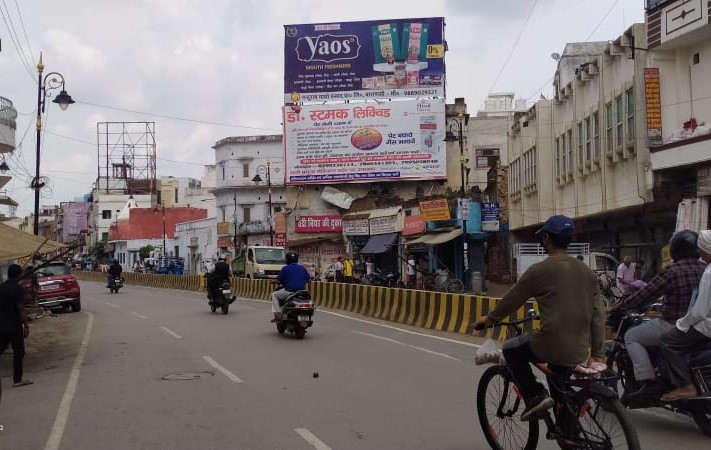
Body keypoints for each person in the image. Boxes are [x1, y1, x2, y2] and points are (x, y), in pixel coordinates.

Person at [474, 215, 605, 421]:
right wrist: (597, 353)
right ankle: (569, 432)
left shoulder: (539, 271)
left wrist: (489, 319)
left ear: (546, 238)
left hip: (550, 344)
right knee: (557, 373)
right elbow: (598, 315)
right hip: (580, 348)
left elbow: (512, 300)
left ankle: (536, 395)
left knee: (510, 349)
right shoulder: (588, 272)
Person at [607, 230, 706, 401]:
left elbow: (645, 294)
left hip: (674, 324)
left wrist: (618, 307)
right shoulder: (706, 269)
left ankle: (648, 379)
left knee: (632, 336)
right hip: (701, 325)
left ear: (675, 250)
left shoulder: (673, 272)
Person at [659, 230, 711, 401]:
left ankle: (686, 385)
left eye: (701, 249)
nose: (700, 253)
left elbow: (699, 311)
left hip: (706, 325)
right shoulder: (703, 268)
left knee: (668, 341)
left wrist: (682, 323)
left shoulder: (708, 273)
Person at [0, 264, 33, 394]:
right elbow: (21, 308)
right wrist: (26, 325)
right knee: (18, 352)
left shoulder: (1, 287)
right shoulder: (18, 289)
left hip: (1, 326)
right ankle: (17, 380)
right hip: (14, 327)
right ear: (19, 274)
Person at [271, 251, 310, 320]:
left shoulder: (285, 268)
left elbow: (279, 279)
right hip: (302, 292)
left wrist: (274, 282)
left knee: (274, 295)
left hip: (289, 291)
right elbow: (308, 279)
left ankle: (278, 313)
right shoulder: (302, 268)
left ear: (287, 260)